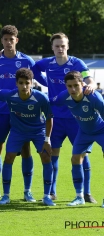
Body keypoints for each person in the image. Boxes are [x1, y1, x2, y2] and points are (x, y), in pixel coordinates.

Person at [0, 25, 47, 201]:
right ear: (1, 41)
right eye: (5, 39)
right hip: (1, 111)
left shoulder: (27, 61)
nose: (8, 43)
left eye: (11, 40)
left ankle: (27, 191)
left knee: (26, 149)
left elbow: (41, 78)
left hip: (22, 113)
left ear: (16, 40)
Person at [33, 32, 96, 203]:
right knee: (52, 154)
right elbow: (33, 69)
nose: (60, 48)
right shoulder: (47, 63)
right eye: (57, 46)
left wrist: (90, 86)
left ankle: (87, 193)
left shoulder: (77, 63)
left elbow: (88, 79)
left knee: (82, 155)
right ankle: (52, 192)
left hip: (76, 118)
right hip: (55, 118)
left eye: (63, 45)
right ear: (52, 48)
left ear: (67, 46)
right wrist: (45, 82)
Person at [0, 68, 55, 206]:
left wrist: (47, 139)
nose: (24, 86)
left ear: (32, 83)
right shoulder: (10, 95)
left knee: (45, 156)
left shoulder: (41, 97)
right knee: (8, 157)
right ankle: (6, 196)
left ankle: (45, 196)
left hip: (38, 131)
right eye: (21, 83)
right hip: (18, 131)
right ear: (16, 83)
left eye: (27, 83)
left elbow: (49, 118)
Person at [50, 71, 104, 206]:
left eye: (76, 85)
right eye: (69, 86)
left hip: (101, 130)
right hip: (84, 132)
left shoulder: (94, 98)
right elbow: (50, 103)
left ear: (82, 84)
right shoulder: (64, 96)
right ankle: (79, 196)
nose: (73, 89)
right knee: (75, 159)